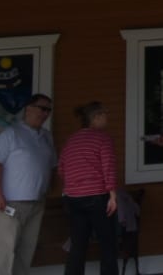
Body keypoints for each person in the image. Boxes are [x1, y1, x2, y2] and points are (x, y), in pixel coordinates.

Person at [0, 93, 57, 275]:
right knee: (5, 250)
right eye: (42, 108)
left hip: (36, 202)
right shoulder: (11, 134)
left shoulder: (47, 137)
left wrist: (49, 186)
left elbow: (52, 165)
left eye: (49, 110)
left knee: (26, 250)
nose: (45, 113)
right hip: (10, 202)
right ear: (29, 108)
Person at [60, 101, 120, 275]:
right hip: (97, 197)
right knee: (107, 244)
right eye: (104, 115)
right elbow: (108, 167)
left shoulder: (71, 140)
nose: (107, 119)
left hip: (73, 198)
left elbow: (62, 168)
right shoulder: (103, 138)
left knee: (78, 245)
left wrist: (74, 186)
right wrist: (113, 195)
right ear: (96, 117)